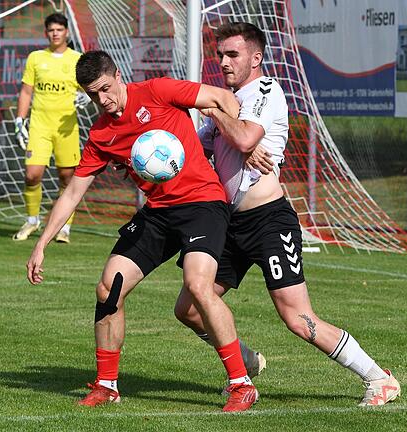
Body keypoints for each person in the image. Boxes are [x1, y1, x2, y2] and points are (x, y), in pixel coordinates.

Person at [173, 22, 401, 407]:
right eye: (221, 55)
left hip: (268, 221)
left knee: (297, 319)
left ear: (255, 57)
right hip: (230, 223)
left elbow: (246, 137)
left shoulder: (265, 90)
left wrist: (217, 114)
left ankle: (379, 378)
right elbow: (197, 153)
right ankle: (244, 362)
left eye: (233, 55)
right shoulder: (225, 103)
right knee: (190, 308)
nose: (224, 62)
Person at [26, 50, 259, 412]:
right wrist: (42, 243)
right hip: (158, 212)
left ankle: (240, 384)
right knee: (108, 286)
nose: (102, 100)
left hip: (202, 204)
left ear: (118, 76)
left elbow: (223, 98)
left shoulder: (158, 90)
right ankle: (107, 385)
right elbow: (73, 190)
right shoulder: (101, 133)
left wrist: (247, 145)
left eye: (105, 89)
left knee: (198, 285)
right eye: (92, 95)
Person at [13, 13, 89, 244]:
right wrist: (19, 120)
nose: (55, 34)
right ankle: (32, 220)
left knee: (67, 178)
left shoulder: (77, 59)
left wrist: (86, 97)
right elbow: (27, 91)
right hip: (39, 127)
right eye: (51, 30)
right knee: (32, 174)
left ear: (66, 32)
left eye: (59, 29)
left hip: (66, 128)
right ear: (46, 33)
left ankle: (64, 226)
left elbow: (88, 89)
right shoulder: (36, 58)